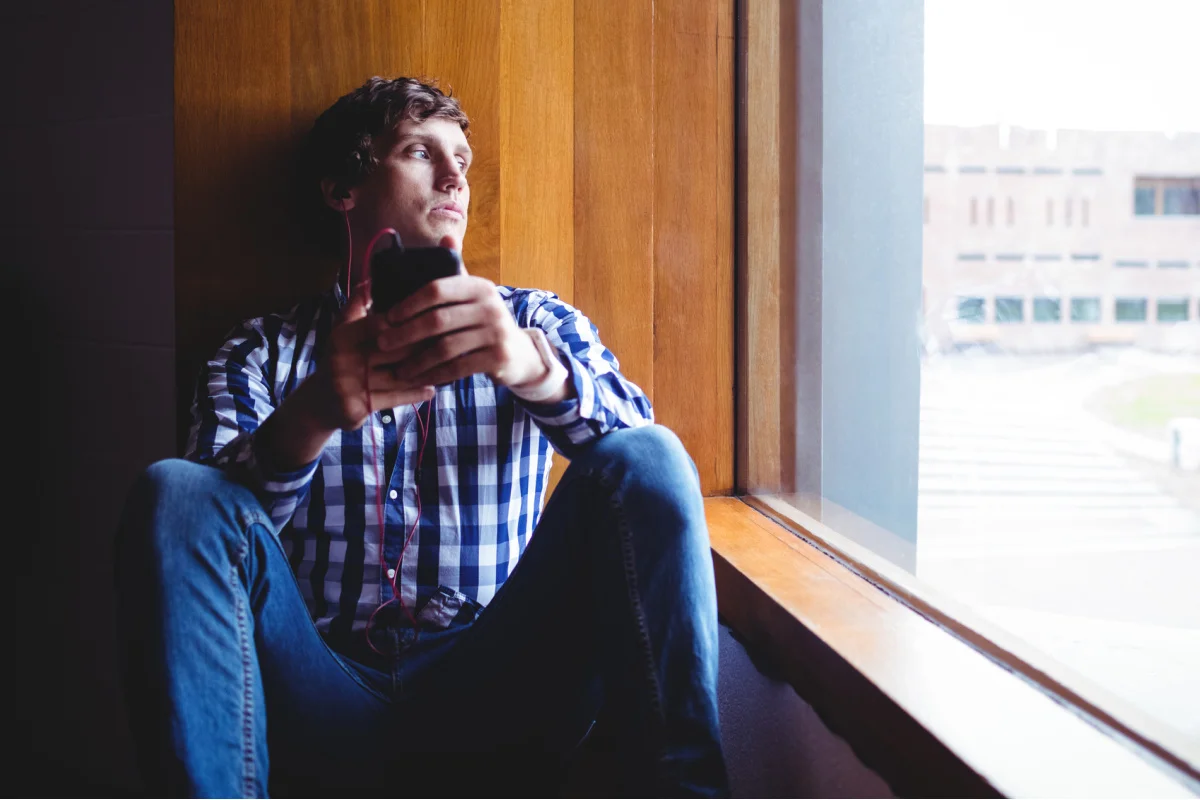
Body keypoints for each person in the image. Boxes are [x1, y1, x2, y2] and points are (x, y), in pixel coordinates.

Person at [115, 76, 728, 798]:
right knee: (177, 488)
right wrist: (311, 416)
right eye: (419, 151)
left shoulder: (536, 322)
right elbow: (200, 537)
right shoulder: (262, 353)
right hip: (316, 693)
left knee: (648, 451)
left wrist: (526, 366)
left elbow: (645, 473)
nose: (454, 177)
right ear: (344, 188)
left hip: (501, 691)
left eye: (462, 161)